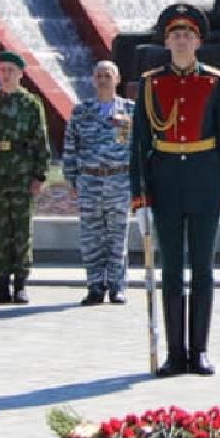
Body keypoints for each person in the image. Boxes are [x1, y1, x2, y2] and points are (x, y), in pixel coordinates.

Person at [130, 4, 220, 377]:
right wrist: (140, 198)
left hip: (205, 181)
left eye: (187, 36)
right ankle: (176, 352)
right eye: (175, 36)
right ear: (166, 42)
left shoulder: (215, 81)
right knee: (172, 269)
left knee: (203, 270)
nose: (180, 41)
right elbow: (140, 144)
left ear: (198, 42)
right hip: (165, 183)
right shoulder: (150, 83)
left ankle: (200, 350)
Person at [62, 60, 135, 306]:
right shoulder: (81, 111)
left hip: (119, 181)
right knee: (91, 238)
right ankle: (95, 286)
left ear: (117, 79)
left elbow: (137, 148)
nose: (103, 79)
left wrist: (138, 182)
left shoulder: (130, 111)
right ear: (93, 80)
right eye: (99, 75)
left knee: (118, 238)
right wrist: (72, 179)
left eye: (108, 75)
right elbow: (70, 147)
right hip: (90, 181)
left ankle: (117, 287)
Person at [0, 50, 50, 305]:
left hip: (22, 170)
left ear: (20, 74)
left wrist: (39, 175)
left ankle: (20, 283)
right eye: (3, 70)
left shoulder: (31, 103)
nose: (6, 74)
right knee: (0, 229)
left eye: (11, 70)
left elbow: (40, 141)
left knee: (21, 229)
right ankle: (1, 283)